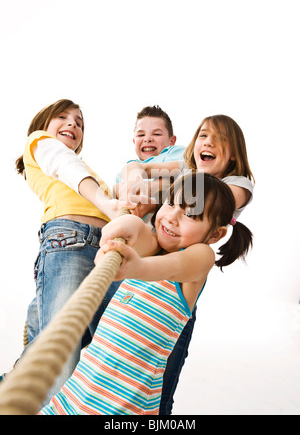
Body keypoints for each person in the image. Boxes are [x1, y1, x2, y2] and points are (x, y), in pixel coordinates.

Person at [39, 172, 253, 415]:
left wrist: (136, 267)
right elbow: (138, 233)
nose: (172, 218)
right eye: (171, 203)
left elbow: (171, 266)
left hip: (123, 408)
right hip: (73, 395)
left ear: (216, 234)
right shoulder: (152, 247)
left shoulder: (201, 257)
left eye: (191, 214)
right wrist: (122, 227)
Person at [115, 114, 254, 414]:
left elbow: (207, 197)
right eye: (203, 135)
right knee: (117, 346)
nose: (208, 142)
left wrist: (158, 193)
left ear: (233, 155)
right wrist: (136, 178)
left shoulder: (236, 183)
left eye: (220, 140)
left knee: (162, 371)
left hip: (181, 277)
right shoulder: (184, 171)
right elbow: (135, 168)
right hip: (142, 268)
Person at [13, 99, 134, 400]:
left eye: (79, 123)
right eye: (63, 117)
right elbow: (66, 164)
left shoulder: (91, 175)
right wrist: (107, 203)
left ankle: (35, 330)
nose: (73, 124)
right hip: (70, 240)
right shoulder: (40, 143)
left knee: (97, 343)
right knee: (64, 359)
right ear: (44, 124)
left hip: (106, 250)